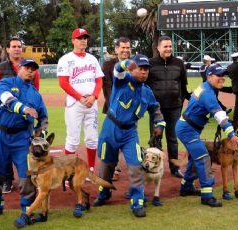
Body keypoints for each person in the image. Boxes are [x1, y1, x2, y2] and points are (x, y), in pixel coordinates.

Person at [92, 54, 165, 217]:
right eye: (141, 69)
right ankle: (104, 193)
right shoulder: (122, 81)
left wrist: (160, 124)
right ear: (133, 69)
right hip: (110, 128)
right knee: (106, 166)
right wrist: (126, 63)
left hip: (130, 133)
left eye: (146, 69)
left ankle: (137, 201)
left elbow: (155, 109)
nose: (144, 72)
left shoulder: (147, 92)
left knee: (135, 165)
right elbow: (117, 70)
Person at [0, 58, 48, 219]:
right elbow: (6, 99)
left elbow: (44, 118)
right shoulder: (6, 83)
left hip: (22, 138)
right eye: (27, 67)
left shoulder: (36, 95)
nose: (30, 71)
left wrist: (40, 136)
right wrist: (24, 109)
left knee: (26, 175)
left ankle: (27, 209)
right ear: (20, 68)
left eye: (34, 69)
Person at [176, 65, 238, 207]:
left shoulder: (208, 88)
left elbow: (216, 111)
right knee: (204, 158)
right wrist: (231, 133)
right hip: (187, 130)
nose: (222, 78)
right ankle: (207, 196)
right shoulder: (207, 93)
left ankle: (186, 187)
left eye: (223, 75)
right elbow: (218, 114)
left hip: (189, 128)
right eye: (218, 75)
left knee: (196, 158)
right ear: (209, 76)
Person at [0, 37, 41, 194]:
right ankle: (7, 180)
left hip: (25, 120)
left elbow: (35, 90)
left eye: (19, 46)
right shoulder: (0, 68)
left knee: (25, 152)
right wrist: (10, 107)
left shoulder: (30, 66)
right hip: (6, 115)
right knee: (3, 151)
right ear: (8, 49)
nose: (17, 49)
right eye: (13, 46)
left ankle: (27, 181)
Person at [57, 28, 104, 174]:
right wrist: (81, 98)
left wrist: (94, 96)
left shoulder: (92, 59)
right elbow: (63, 82)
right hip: (74, 103)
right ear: (73, 41)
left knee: (92, 138)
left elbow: (99, 80)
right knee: (72, 139)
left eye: (85, 38)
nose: (83, 40)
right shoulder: (65, 59)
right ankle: (67, 172)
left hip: (91, 103)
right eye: (80, 38)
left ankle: (90, 169)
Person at [147, 36, 190, 178]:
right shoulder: (150, 64)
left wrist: (180, 100)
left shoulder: (178, 63)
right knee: (155, 137)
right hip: (156, 109)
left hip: (174, 107)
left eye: (170, 46)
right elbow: (145, 86)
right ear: (158, 48)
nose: (168, 49)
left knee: (172, 138)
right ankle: (154, 166)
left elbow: (183, 85)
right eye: (165, 46)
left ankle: (174, 168)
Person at [101, 37, 131, 181]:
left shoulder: (133, 65)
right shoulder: (108, 65)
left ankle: (119, 168)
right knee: (112, 139)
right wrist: (112, 105)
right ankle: (112, 169)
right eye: (123, 48)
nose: (125, 50)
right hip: (112, 109)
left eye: (128, 48)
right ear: (116, 49)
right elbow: (106, 86)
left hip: (129, 110)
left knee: (128, 138)